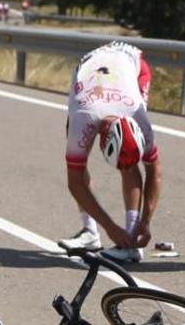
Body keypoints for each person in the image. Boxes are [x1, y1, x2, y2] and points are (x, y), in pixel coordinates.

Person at [58, 41, 162, 264]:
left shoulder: (139, 118)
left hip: (132, 65)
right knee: (78, 161)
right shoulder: (83, 117)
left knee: (129, 162)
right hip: (90, 69)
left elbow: (155, 173)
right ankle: (90, 233)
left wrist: (145, 222)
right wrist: (109, 226)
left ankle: (131, 238)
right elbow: (75, 181)